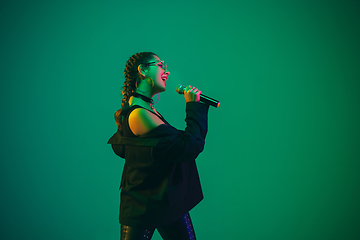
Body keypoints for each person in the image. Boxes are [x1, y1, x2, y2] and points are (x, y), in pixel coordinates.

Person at [108, 52, 210, 240]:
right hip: (142, 208)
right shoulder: (139, 114)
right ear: (143, 70)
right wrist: (193, 106)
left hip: (166, 200)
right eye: (161, 65)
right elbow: (188, 146)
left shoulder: (147, 110)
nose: (167, 72)